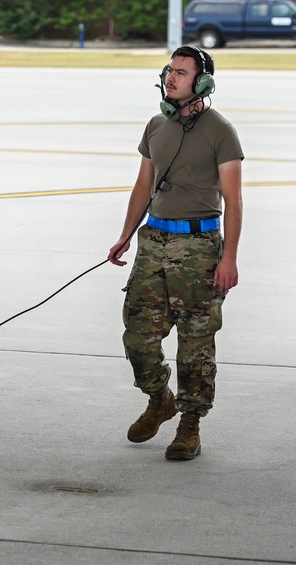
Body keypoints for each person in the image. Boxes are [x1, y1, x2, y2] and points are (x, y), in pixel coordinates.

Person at [108, 45, 243, 461]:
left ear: (202, 82)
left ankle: (190, 424)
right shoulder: (155, 126)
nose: (172, 77)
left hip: (200, 246)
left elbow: (234, 202)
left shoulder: (221, 131)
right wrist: (126, 234)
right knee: (138, 334)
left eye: (182, 72)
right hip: (153, 242)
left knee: (195, 343)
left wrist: (229, 258)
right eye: (170, 69)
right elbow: (142, 185)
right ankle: (159, 398)